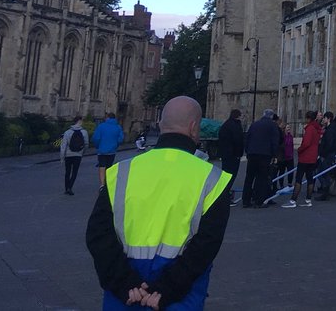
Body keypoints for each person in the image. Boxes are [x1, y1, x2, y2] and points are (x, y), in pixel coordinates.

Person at [85, 96, 232, 310]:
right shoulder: (213, 179)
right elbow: (205, 246)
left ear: (160, 125)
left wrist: (124, 282)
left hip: (126, 293)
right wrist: (167, 288)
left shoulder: (121, 171)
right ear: (194, 128)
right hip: (178, 296)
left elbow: (98, 234)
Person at [242, 109, 280, 208]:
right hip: (265, 154)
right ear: (271, 116)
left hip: (252, 153)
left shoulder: (255, 124)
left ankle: (246, 200)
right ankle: (258, 200)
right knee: (261, 178)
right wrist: (274, 155)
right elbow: (274, 142)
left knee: (249, 177)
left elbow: (247, 137)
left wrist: (247, 151)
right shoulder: (273, 126)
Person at [291, 110, 323, 207]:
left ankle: (293, 200)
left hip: (305, 157)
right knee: (310, 178)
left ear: (308, 118)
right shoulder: (317, 129)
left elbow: (306, 143)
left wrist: (300, 149)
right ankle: (308, 199)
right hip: (313, 156)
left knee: (298, 179)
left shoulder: (310, 128)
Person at [216, 109, 244, 206]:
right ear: (238, 116)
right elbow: (238, 140)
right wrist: (238, 153)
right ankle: (225, 196)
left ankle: (223, 195)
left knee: (226, 175)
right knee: (231, 175)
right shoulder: (235, 125)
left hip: (225, 154)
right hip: (233, 155)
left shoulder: (226, 125)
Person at [92, 112, 124, 189]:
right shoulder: (118, 127)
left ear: (108, 118)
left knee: (102, 166)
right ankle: (107, 182)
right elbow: (121, 139)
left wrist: (97, 146)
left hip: (102, 150)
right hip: (112, 151)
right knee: (109, 166)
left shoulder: (101, 126)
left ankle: (102, 184)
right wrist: (116, 145)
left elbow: (96, 138)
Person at [61, 116, 89, 195]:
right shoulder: (84, 132)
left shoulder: (67, 132)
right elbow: (86, 144)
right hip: (78, 154)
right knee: (74, 172)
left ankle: (66, 188)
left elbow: (63, 146)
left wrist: (62, 157)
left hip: (68, 155)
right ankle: (70, 187)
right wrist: (83, 152)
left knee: (67, 172)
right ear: (79, 121)